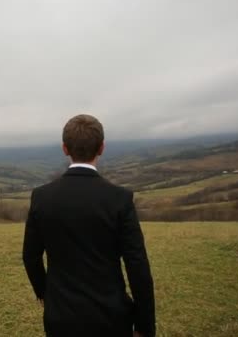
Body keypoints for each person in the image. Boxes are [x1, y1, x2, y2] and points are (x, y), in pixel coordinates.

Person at [22, 114, 156, 337]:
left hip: (60, 316)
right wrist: (144, 326)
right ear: (101, 148)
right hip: (111, 316)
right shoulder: (119, 199)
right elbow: (137, 266)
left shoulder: (41, 197)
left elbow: (30, 256)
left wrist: (46, 295)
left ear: (65, 148)